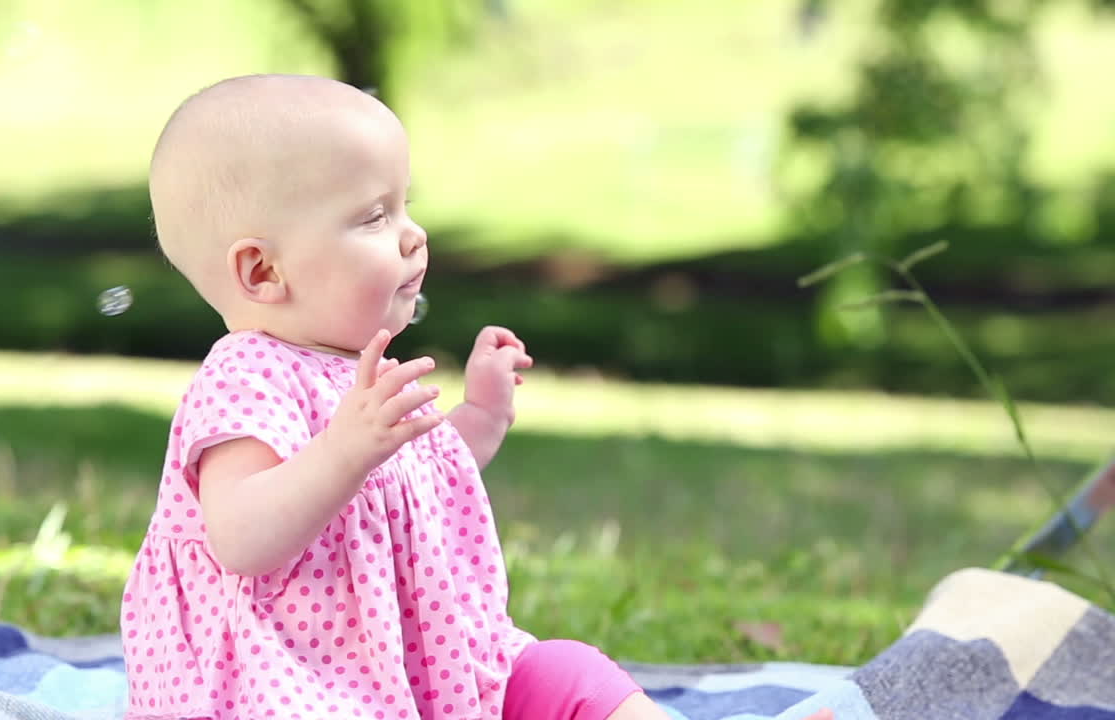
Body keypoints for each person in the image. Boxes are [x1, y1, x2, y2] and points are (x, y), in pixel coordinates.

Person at [120, 73, 832, 720]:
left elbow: (409, 485)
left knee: (563, 670)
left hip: (432, 669)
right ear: (263, 269)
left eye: (406, 207)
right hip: (292, 684)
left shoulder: (353, 373)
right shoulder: (247, 375)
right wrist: (343, 450)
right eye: (374, 217)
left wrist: (477, 420)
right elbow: (241, 538)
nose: (413, 234)